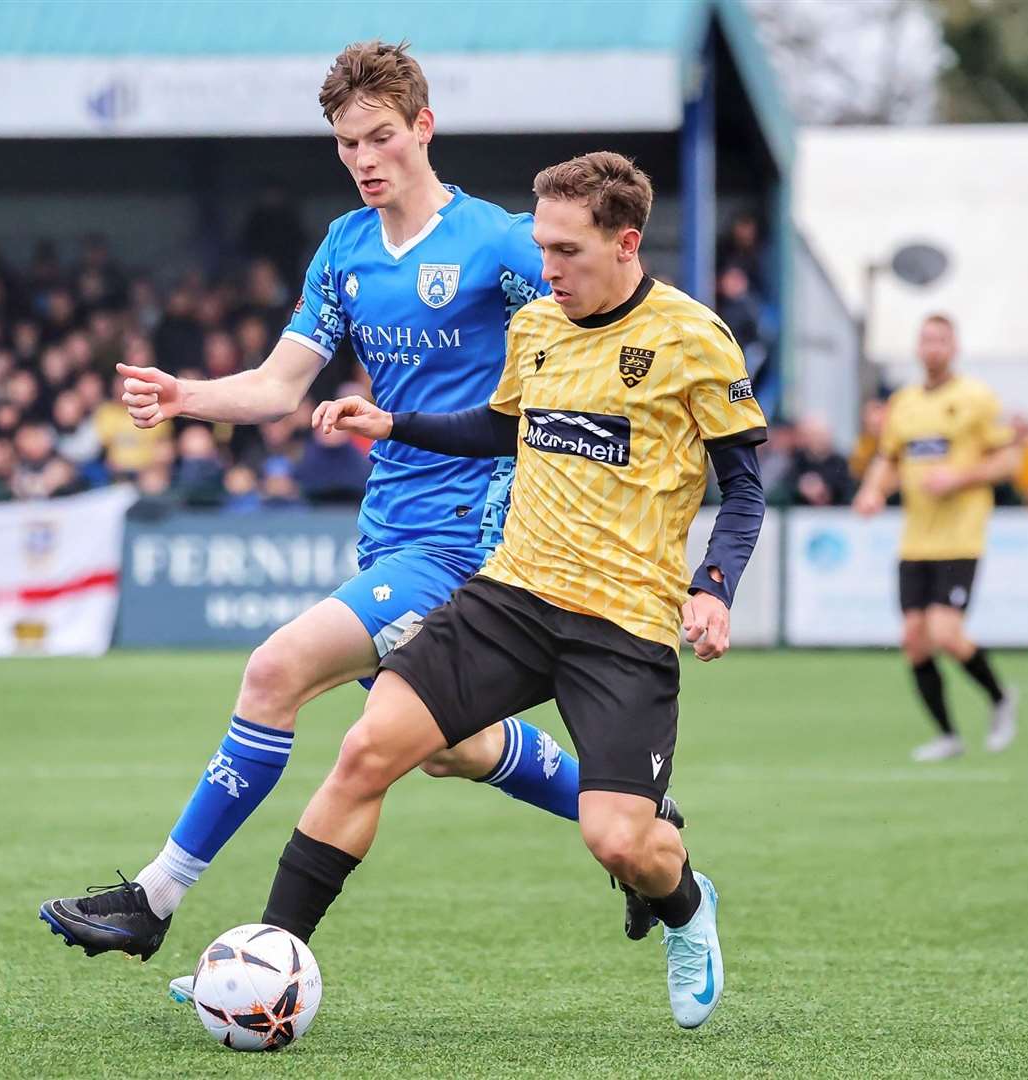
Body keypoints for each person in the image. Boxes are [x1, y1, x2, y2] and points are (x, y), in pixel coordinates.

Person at [39, 40, 633, 965]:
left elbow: (604, 306)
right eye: (346, 142)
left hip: (467, 539)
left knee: (275, 671)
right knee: (453, 749)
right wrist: (184, 394)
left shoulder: (498, 243)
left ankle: (153, 898)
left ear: (423, 129)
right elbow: (281, 386)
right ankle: (639, 815)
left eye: (380, 136)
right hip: (388, 530)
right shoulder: (347, 248)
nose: (363, 158)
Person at [238, 152, 767, 1030]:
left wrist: (713, 587)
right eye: (539, 246)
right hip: (510, 597)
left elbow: (744, 486)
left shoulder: (693, 338)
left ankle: (685, 904)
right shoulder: (539, 327)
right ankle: (266, 962)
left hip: (623, 625)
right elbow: (499, 426)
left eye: (565, 251)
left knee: (621, 841)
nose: (545, 268)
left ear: (627, 242)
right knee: (369, 750)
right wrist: (392, 420)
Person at [853, 314, 1020, 762]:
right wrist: (872, 491)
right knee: (913, 638)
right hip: (915, 541)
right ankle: (949, 735)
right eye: (925, 339)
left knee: (945, 632)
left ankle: (1001, 696)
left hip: (960, 538)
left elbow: (1008, 460)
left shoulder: (976, 398)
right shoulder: (904, 403)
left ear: (954, 347)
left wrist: (960, 477)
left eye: (940, 340)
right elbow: (889, 459)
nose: (932, 348)